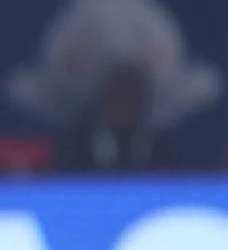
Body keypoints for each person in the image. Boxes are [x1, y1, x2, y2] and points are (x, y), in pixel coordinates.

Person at [56, 62, 186, 173]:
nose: (123, 107)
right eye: (117, 99)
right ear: (104, 101)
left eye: (130, 100)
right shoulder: (78, 147)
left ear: (141, 103)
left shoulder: (163, 147)